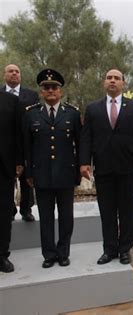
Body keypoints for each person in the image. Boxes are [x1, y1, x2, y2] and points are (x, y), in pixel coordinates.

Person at [80, 69, 133, 265]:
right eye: (109, 78)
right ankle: (109, 249)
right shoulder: (93, 109)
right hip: (103, 168)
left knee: (127, 211)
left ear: (123, 83)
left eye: (116, 78)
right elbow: (86, 138)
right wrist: (84, 162)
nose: (112, 81)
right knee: (107, 210)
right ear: (104, 82)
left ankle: (125, 249)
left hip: (127, 168)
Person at [23, 69, 81, 268]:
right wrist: (29, 173)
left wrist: (80, 170)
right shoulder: (31, 115)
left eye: (54, 87)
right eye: (46, 87)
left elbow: (80, 144)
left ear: (60, 91)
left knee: (66, 217)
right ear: (41, 91)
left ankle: (63, 252)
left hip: (65, 173)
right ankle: (49, 254)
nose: (50, 91)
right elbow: (27, 147)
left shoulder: (72, 114)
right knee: (46, 218)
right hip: (41, 175)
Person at [2, 64, 39, 222]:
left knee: (26, 178)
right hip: (5, 144)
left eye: (17, 71)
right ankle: (8, 209)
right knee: (6, 179)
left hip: (25, 142)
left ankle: (26, 209)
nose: (14, 74)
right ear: (5, 75)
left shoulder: (31, 95)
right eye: (11, 71)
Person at [0, 91, 22, 273]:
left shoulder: (10, 101)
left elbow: (18, 133)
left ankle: (2, 255)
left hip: (3, 168)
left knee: (3, 212)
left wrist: (18, 161)